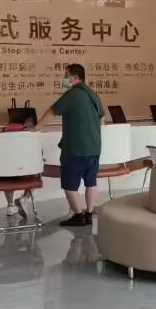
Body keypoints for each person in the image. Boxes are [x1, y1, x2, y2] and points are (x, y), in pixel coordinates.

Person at [35, 64, 105, 227]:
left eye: (66, 76)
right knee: (91, 182)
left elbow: (52, 111)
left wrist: (36, 128)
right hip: (94, 148)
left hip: (75, 148)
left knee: (69, 185)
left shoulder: (72, 94)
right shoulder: (93, 94)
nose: (64, 79)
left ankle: (78, 215)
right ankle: (89, 214)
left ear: (74, 77)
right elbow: (102, 118)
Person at [0, 112, 38, 220]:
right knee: (38, 172)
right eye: (33, 123)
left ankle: (10, 206)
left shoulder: (3, 130)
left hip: (6, 174)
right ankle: (24, 198)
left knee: (6, 170)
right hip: (24, 173)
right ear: (28, 121)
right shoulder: (27, 132)